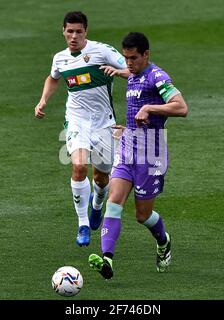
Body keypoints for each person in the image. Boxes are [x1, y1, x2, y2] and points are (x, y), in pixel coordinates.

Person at [88, 32, 188, 278]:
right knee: (114, 200)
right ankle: (107, 260)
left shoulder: (158, 77)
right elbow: (129, 74)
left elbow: (182, 107)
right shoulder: (133, 73)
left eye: (133, 58)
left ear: (146, 55)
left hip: (152, 153)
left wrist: (148, 107)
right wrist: (115, 71)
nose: (128, 63)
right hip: (128, 147)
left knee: (142, 215)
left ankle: (163, 241)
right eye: (125, 58)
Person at [34, 11, 129, 247]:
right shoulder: (60, 58)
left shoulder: (102, 51)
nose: (73, 36)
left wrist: (118, 72)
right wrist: (43, 100)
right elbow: (53, 77)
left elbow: (132, 69)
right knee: (78, 166)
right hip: (77, 119)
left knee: (102, 176)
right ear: (63, 31)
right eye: (69, 31)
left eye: (78, 31)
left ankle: (97, 203)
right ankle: (83, 224)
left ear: (86, 31)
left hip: (104, 122)